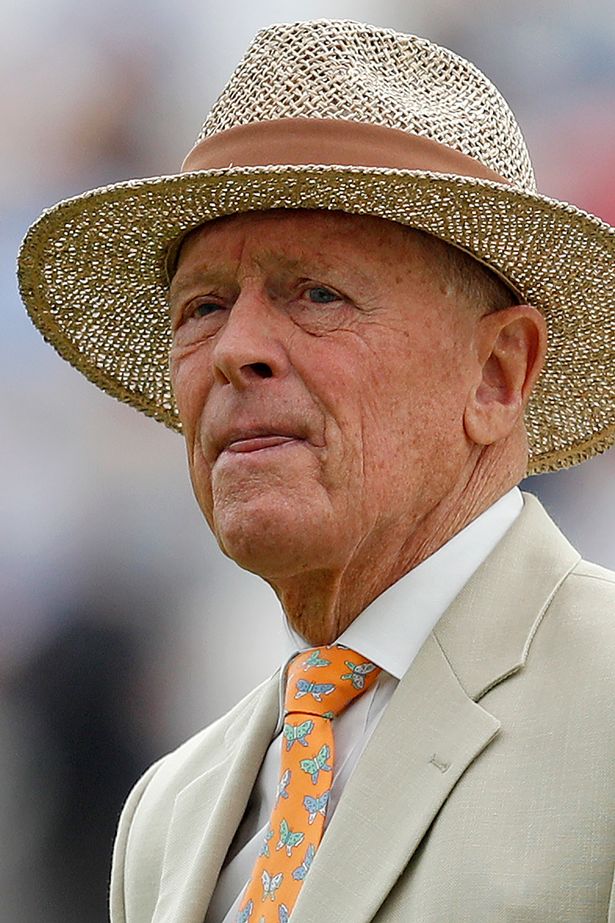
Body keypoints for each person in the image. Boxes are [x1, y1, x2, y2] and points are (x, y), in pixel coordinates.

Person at [18, 18, 615, 923]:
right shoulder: (170, 813)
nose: (236, 351)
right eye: (203, 306)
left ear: (496, 374)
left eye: (318, 294)